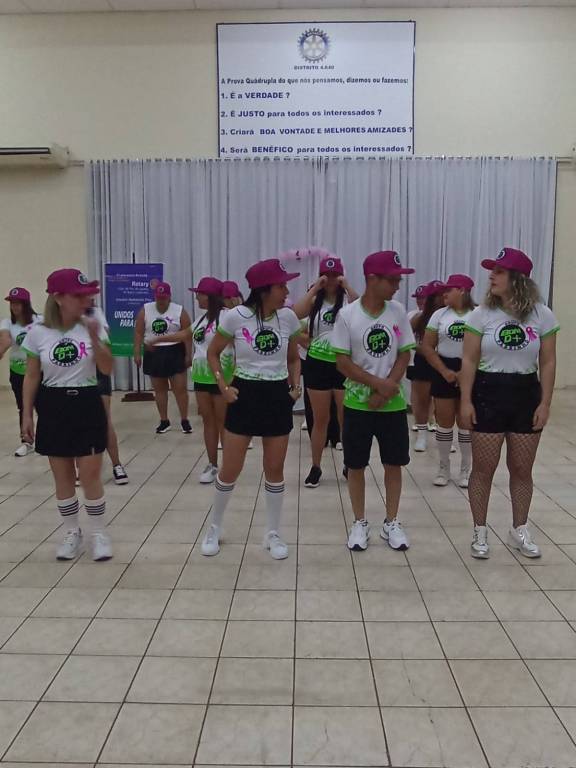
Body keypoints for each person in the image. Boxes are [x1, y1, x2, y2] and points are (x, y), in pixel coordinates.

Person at [460, 248, 559, 559]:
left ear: (518, 279)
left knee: (521, 468)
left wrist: (545, 403)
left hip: (525, 393)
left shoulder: (543, 315)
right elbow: (469, 360)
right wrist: (465, 400)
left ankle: (519, 529)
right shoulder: (481, 314)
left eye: (499, 271)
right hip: (488, 392)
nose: (492, 276)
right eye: (492, 271)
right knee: (483, 468)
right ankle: (479, 530)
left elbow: (548, 361)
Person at [202, 258, 302, 559]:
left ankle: (273, 533)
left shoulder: (288, 318)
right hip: (244, 393)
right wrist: (223, 386)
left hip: (277, 395)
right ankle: (214, 527)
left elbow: (293, 358)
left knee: (274, 468)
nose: (287, 291)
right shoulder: (236, 317)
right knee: (231, 468)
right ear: (263, 289)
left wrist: (295, 385)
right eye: (281, 286)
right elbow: (213, 353)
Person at [21, 268, 113, 561]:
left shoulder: (94, 324)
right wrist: (26, 414)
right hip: (53, 404)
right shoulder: (37, 332)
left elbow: (107, 368)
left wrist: (94, 338)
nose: (86, 301)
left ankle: (98, 533)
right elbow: (32, 376)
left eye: (87, 295)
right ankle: (72, 532)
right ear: (58, 298)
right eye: (78, 295)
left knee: (90, 474)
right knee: (62, 476)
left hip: (86, 400)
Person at [333, 251, 416, 552]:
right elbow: (342, 362)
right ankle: (359, 521)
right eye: (392, 280)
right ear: (372, 279)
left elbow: (405, 352)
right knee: (356, 464)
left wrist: (387, 387)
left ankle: (391, 521)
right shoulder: (347, 315)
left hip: (392, 405)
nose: (397, 286)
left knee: (394, 463)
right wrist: (376, 384)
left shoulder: (397, 311)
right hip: (358, 404)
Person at [293, 256, 359, 488]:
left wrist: (347, 286)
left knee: (345, 417)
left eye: (334, 275)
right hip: (317, 363)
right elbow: (295, 314)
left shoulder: (348, 301)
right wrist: (314, 289)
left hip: (343, 364)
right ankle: (316, 466)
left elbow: (362, 308)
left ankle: (349, 463)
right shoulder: (315, 301)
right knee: (320, 418)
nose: (330, 279)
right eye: (326, 275)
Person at [421, 274, 475, 488]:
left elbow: (485, 348)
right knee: (444, 421)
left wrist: (466, 372)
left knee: (466, 421)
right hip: (444, 368)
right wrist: (444, 371)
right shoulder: (439, 315)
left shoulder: (477, 314)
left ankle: (466, 469)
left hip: (471, 369)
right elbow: (427, 346)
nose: (444, 293)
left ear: (462, 290)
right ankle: (443, 467)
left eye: (449, 289)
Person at [133, 281, 193, 434]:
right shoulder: (145, 310)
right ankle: (164, 420)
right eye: (158, 297)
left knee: (180, 388)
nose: (161, 301)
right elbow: (138, 332)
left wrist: (188, 354)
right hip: (154, 352)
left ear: (169, 297)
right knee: (160, 389)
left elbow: (187, 334)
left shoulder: (179, 311)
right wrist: (137, 352)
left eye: (164, 298)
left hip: (175, 351)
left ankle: (184, 419)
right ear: (155, 297)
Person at [87, 301, 129, 485]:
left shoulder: (95, 314)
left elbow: (106, 345)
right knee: (78, 421)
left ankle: (117, 464)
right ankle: (81, 467)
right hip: (75, 376)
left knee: (104, 419)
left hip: (97, 372)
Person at [0, 287, 42, 457]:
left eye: (18, 303)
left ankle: (47, 440)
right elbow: (5, 339)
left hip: (39, 372)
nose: (14, 306)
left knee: (44, 406)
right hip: (17, 373)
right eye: (12, 303)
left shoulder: (39, 321)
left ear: (26, 304)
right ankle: (27, 441)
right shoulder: (7, 323)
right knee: (23, 407)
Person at [408, 281, 446, 452]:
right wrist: (420, 348)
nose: (441, 298)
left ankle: (445, 435)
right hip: (423, 361)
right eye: (437, 295)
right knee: (422, 399)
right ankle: (422, 436)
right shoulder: (419, 317)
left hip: (445, 360)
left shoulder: (451, 316)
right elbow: (402, 335)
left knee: (444, 400)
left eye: (443, 294)